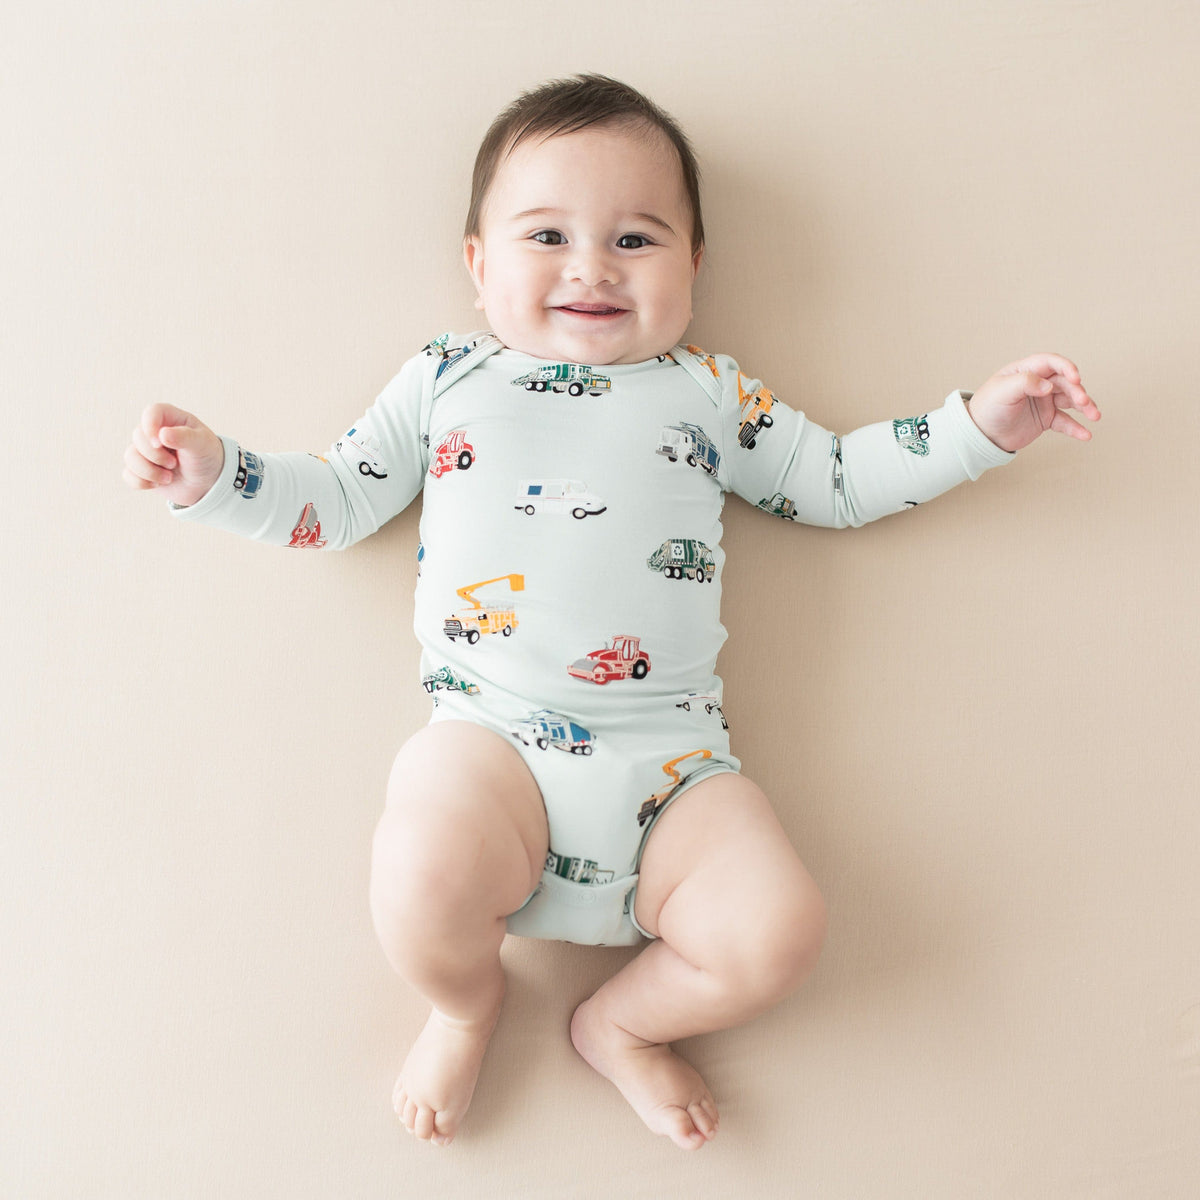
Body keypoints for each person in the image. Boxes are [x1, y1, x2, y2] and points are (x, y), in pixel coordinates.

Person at [122, 74, 1100, 1151]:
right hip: (493, 746)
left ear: (695, 266)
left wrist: (978, 428)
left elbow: (835, 480)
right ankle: (466, 1005)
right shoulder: (446, 378)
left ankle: (623, 1024)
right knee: (415, 871)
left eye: (636, 239)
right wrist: (218, 476)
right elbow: (341, 500)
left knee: (780, 930)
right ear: (478, 265)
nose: (591, 266)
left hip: (672, 771)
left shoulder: (711, 392)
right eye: (548, 236)